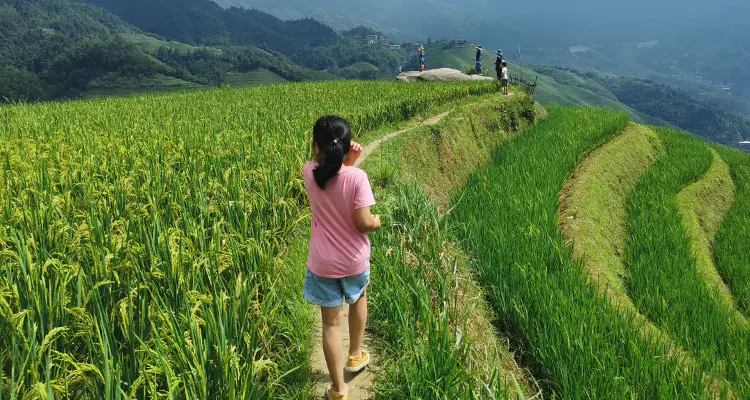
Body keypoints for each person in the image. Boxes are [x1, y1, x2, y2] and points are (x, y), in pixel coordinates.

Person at [303, 116, 382, 400]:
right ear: (347, 148)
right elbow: (363, 222)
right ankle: (355, 355)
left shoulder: (308, 172)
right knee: (359, 298)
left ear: (315, 148)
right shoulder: (357, 178)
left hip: (322, 264)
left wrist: (346, 162)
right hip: (354, 261)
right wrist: (377, 221)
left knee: (330, 324)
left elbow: (331, 180)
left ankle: (338, 390)